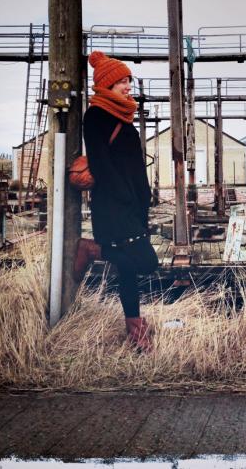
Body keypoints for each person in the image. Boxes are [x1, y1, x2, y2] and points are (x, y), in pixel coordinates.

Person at [82, 50, 158, 351]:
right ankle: (135, 329)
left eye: (128, 81)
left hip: (134, 206)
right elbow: (101, 165)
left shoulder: (124, 117)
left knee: (134, 264)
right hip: (113, 204)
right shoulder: (95, 116)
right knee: (140, 263)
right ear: (107, 85)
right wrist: (125, 198)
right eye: (122, 82)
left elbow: (134, 166)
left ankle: (134, 327)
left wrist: (144, 198)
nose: (128, 87)